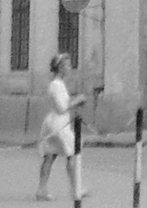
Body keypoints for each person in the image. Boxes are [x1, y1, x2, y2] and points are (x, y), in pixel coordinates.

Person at [36, 53, 87, 202]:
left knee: (50, 157)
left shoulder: (58, 84)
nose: (70, 68)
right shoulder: (56, 85)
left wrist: (74, 101)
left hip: (54, 123)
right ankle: (76, 188)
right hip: (59, 125)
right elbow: (61, 107)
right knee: (72, 154)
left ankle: (42, 189)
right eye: (67, 65)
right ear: (60, 68)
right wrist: (78, 100)